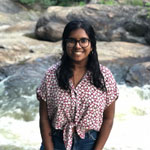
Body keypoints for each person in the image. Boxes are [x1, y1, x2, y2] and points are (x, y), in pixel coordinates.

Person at [36, 20, 119, 150]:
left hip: (90, 143)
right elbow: (44, 118)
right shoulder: (51, 75)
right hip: (55, 142)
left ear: (91, 45)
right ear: (65, 44)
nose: (77, 46)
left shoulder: (104, 76)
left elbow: (108, 119)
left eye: (83, 40)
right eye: (72, 41)